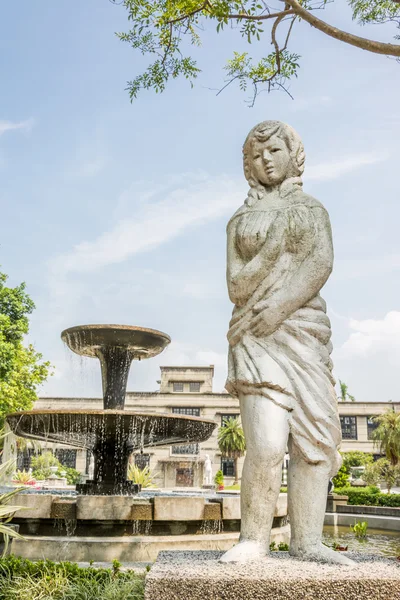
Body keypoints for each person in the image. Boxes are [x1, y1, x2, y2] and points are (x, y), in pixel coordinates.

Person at [221, 121, 351, 564]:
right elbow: (237, 286)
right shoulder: (240, 220)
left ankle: (308, 541)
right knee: (267, 444)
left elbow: (320, 263)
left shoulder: (313, 210)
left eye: (275, 150)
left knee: (315, 443)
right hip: (254, 334)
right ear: (248, 165)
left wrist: (280, 307)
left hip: (303, 332)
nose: (266, 160)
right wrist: (277, 242)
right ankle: (253, 538)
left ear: (293, 154)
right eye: (257, 156)